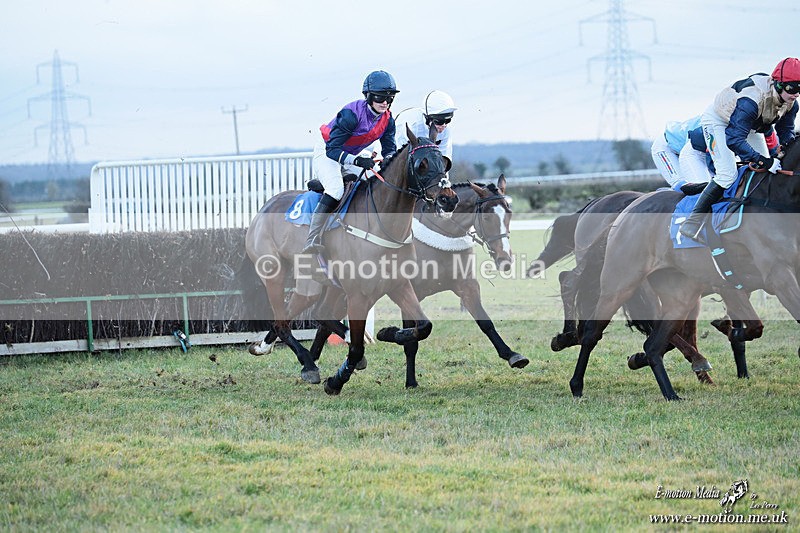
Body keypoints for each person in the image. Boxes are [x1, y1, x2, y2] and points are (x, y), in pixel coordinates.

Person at [679, 58, 799, 241]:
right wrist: (764, 160)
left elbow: (786, 131)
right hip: (720, 122)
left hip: (749, 125)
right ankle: (692, 222)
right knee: (727, 174)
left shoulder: (792, 103)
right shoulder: (751, 100)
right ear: (778, 84)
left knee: (767, 171)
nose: (796, 94)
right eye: (792, 88)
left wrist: (786, 151)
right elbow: (734, 139)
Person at [302, 70, 399, 254]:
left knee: (375, 181)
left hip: (351, 152)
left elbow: (389, 149)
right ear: (368, 96)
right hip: (327, 150)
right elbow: (332, 150)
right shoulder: (351, 115)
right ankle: (311, 238)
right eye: (380, 97)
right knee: (336, 190)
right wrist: (358, 161)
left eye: (390, 98)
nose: (385, 102)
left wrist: (388, 161)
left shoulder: (388, 120)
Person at [394, 90, 457, 171]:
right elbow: (400, 158)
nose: (444, 125)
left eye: (448, 120)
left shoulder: (446, 129)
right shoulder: (413, 126)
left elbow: (444, 156)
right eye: (439, 121)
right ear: (427, 117)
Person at [651, 115, 712, 192]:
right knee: (685, 187)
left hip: (693, 149)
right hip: (666, 148)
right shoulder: (710, 124)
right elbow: (688, 154)